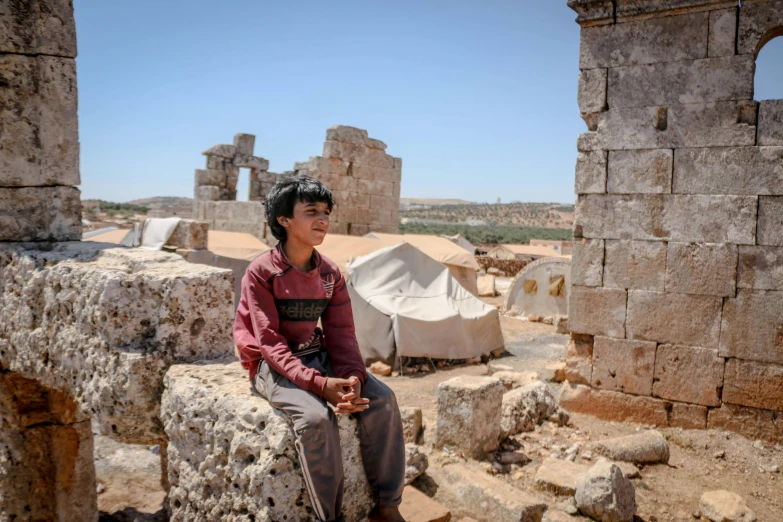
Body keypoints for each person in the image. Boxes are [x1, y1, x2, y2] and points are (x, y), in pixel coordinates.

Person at [233, 175, 406, 522]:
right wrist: (319, 386)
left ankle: (387, 505)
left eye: (326, 212)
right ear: (284, 219)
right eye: (311, 211)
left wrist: (352, 378)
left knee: (382, 399)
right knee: (315, 419)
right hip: (272, 365)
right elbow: (269, 343)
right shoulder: (262, 272)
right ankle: (331, 516)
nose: (323, 220)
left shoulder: (330, 274)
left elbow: (342, 333)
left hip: (315, 356)